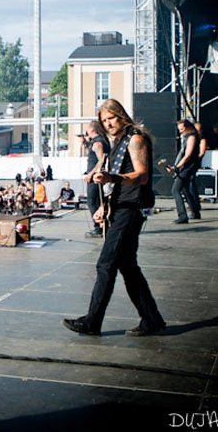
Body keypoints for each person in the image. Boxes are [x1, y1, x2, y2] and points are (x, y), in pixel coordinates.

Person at [62, 99, 165, 337]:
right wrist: (106, 206)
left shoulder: (136, 138)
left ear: (122, 116)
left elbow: (142, 176)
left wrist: (111, 178)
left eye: (112, 118)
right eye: (104, 121)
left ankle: (92, 321)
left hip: (132, 208)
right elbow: (120, 182)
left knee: (106, 264)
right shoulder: (120, 141)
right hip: (122, 206)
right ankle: (152, 320)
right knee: (128, 266)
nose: (108, 124)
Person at [165, 119, 202, 224]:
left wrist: (176, 167)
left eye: (182, 129)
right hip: (186, 167)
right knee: (185, 189)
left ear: (187, 127)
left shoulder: (192, 137)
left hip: (188, 167)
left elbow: (187, 155)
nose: (181, 131)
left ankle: (182, 216)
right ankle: (195, 212)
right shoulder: (187, 137)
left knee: (175, 190)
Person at [82, 121, 110, 238]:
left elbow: (101, 160)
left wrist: (91, 174)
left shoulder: (98, 143)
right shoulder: (97, 141)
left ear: (92, 130)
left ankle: (98, 226)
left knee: (93, 202)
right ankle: (102, 225)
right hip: (95, 176)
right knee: (97, 202)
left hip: (95, 177)